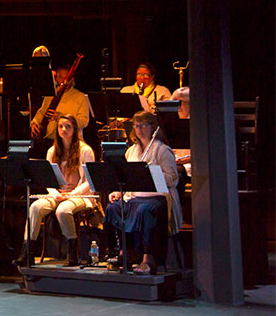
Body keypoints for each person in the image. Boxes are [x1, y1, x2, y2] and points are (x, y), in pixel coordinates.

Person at [104, 111, 182, 274]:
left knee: (144, 210)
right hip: (136, 197)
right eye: (136, 126)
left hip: (157, 197)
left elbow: (173, 179)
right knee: (113, 208)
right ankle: (123, 253)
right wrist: (119, 192)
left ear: (152, 127)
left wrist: (152, 174)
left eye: (142, 126)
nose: (138, 129)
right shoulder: (131, 151)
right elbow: (128, 178)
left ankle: (148, 259)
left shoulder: (162, 150)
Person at [14, 114, 97, 267]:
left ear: (74, 130)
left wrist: (71, 195)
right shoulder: (52, 151)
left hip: (79, 194)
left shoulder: (85, 150)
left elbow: (89, 181)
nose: (64, 129)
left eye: (68, 126)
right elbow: (48, 180)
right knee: (35, 208)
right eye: (60, 126)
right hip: (58, 194)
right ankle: (28, 251)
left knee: (63, 211)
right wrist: (56, 194)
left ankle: (72, 251)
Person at [29, 62, 92, 157]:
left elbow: (84, 121)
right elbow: (42, 112)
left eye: (66, 77)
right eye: (60, 77)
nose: (63, 81)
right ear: (56, 79)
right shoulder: (51, 95)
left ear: (72, 78)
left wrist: (60, 117)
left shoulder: (80, 97)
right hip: (48, 141)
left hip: (70, 144)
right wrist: (34, 123)